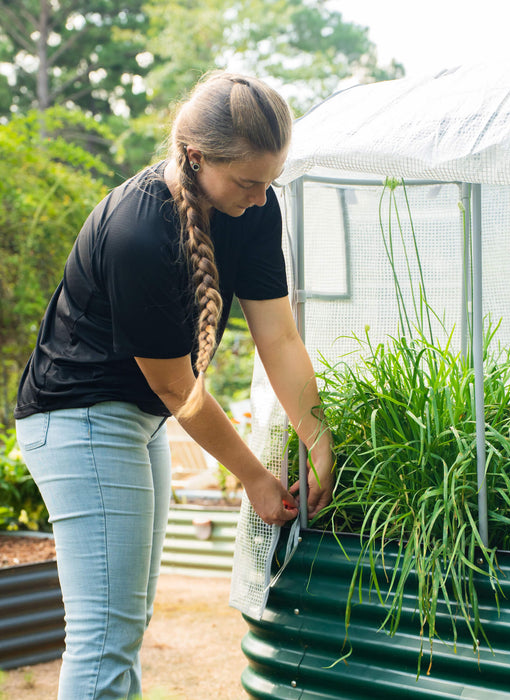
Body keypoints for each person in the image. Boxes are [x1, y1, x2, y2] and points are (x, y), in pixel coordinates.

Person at [13, 71, 334, 700]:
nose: (261, 196)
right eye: (247, 181)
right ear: (195, 156)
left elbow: (279, 338)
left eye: (270, 180)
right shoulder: (140, 231)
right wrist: (254, 477)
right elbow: (176, 389)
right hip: (79, 418)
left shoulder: (252, 209)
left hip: (135, 418)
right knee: (105, 637)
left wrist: (318, 437)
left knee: (123, 626)